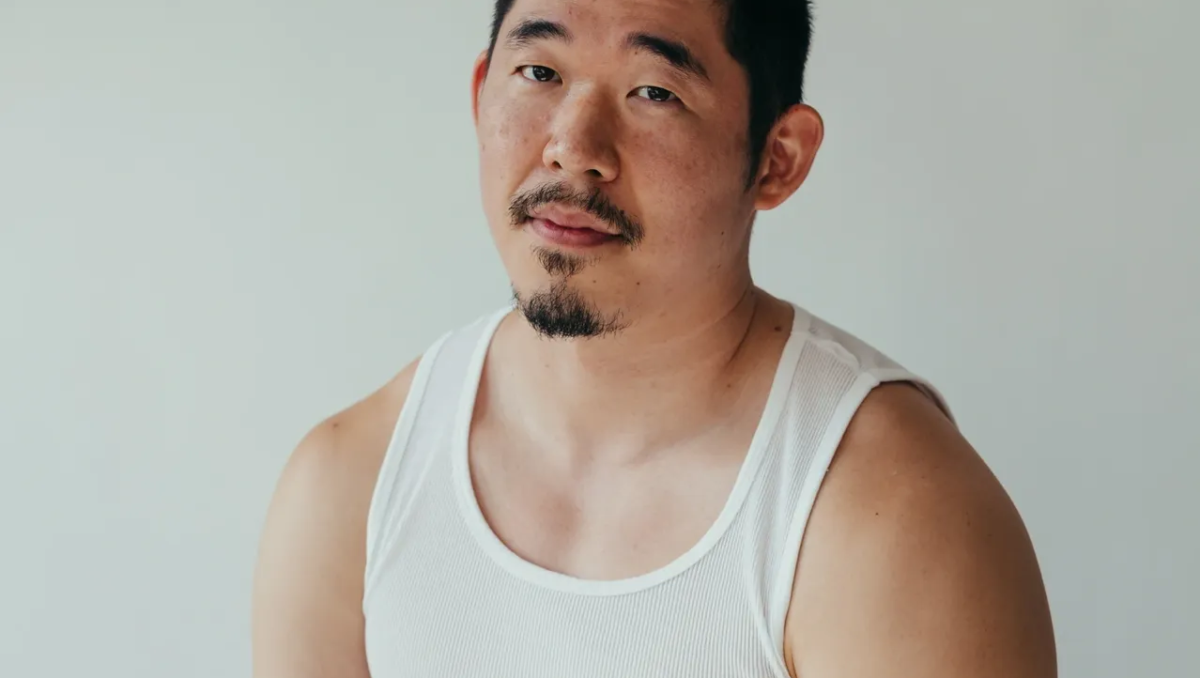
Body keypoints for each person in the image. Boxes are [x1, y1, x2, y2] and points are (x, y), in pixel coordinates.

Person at [251, 0, 1057, 675]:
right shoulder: (349, 486)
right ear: (478, 93)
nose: (573, 145)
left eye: (652, 91)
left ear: (778, 159)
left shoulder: (888, 516)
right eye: (540, 72)